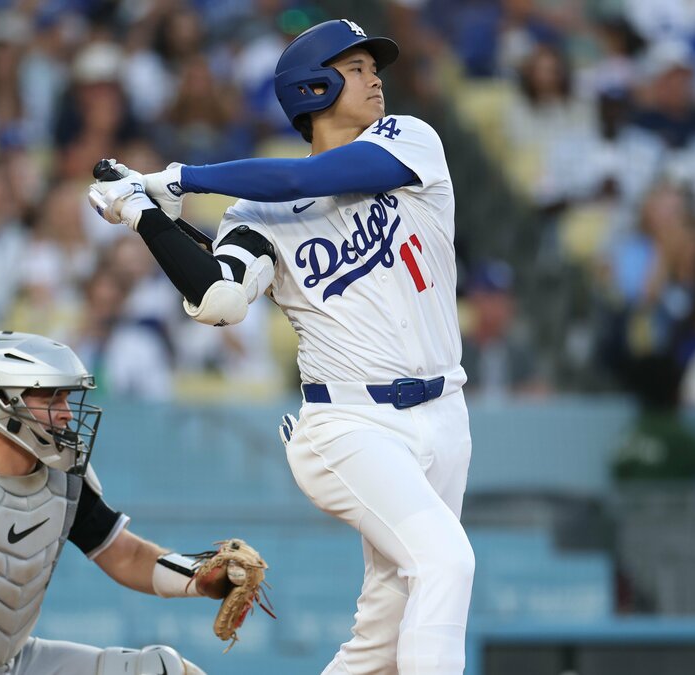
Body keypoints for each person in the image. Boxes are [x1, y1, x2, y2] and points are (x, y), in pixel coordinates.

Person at [88, 19, 475, 675]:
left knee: (384, 633)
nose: (375, 76)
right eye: (355, 68)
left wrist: (180, 178)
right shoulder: (256, 216)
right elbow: (219, 299)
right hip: (350, 424)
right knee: (446, 559)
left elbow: (307, 179)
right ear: (313, 86)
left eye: (371, 67)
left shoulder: (408, 139)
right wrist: (141, 212)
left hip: (446, 412)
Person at [0, 330, 254, 675]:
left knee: (165, 669)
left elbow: (125, 555)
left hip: (15, 661)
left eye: (67, 398)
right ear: (2, 400)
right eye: (53, 398)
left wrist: (198, 578)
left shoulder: (65, 479)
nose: (67, 414)